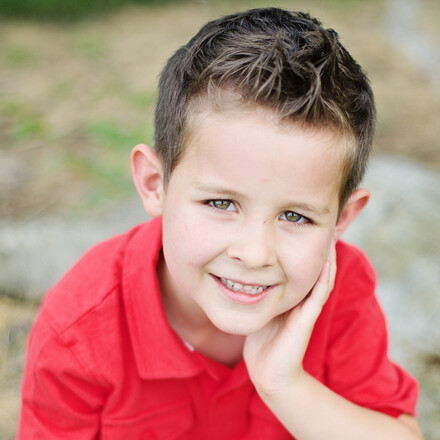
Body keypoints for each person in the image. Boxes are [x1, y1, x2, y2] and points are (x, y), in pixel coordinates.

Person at [18, 7, 423, 439]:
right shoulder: (79, 330)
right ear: (155, 184)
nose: (254, 254)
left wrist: (285, 386)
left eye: (294, 216)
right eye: (221, 203)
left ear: (342, 219)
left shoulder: (340, 290)